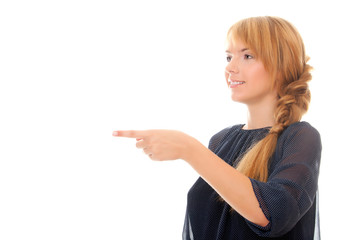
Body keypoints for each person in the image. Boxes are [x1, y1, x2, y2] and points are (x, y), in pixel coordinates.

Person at [113, 16, 322, 240]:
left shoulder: (300, 137)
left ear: (281, 66)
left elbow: (274, 213)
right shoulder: (221, 140)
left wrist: (188, 148)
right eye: (228, 57)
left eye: (247, 56)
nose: (230, 68)